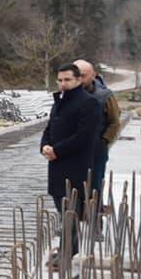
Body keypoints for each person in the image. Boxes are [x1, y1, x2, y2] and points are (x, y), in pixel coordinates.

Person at [40, 62, 102, 267]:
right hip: (56, 164)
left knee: (71, 211)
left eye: (67, 80)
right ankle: (68, 249)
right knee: (62, 209)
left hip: (75, 166)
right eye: (60, 80)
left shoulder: (89, 103)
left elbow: (84, 137)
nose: (63, 84)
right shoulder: (59, 101)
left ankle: (68, 253)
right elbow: (49, 128)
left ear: (78, 80)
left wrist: (57, 150)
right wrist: (45, 146)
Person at [73, 59, 122, 200]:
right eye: (77, 76)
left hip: (96, 150)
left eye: (84, 75)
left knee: (94, 187)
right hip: (71, 150)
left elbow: (115, 121)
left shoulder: (104, 95)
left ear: (93, 75)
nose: (80, 79)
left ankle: (94, 216)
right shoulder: (67, 93)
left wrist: (103, 141)